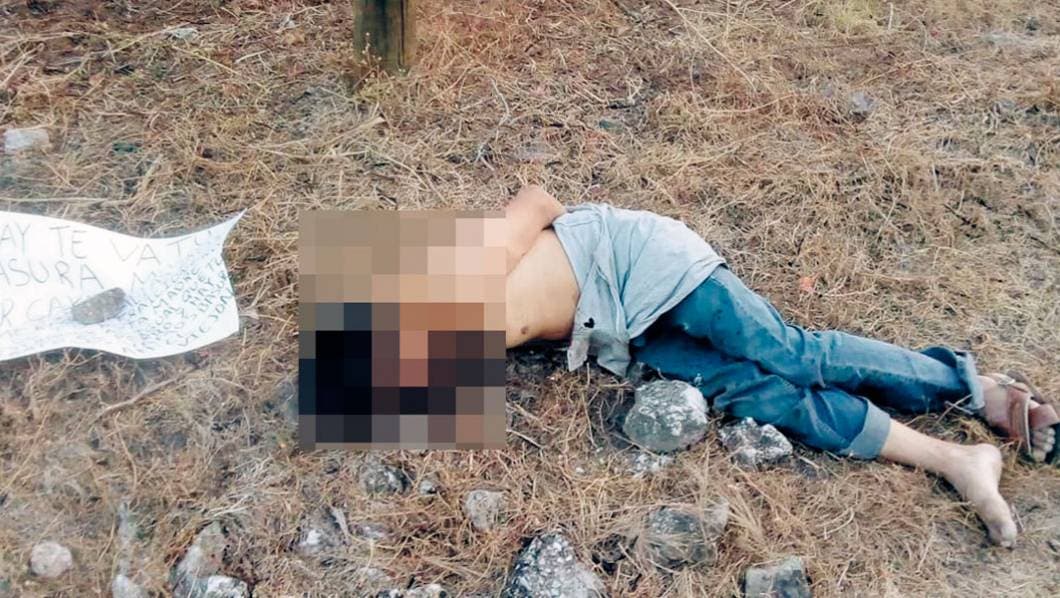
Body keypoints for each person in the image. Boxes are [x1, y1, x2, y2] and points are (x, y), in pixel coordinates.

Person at [503, 184, 1059, 547]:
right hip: (622, 329)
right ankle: (957, 460)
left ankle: (972, 388)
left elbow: (537, 200)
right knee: (761, 396)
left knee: (789, 353)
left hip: (639, 263)